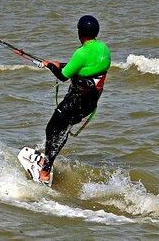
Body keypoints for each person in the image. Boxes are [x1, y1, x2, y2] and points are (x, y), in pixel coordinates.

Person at [38, 15, 111, 183]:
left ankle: (45, 170)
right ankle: (47, 162)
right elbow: (86, 67)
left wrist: (49, 65)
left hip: (75, 101)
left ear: (80, 32)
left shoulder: (81, 52)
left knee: (52, 130)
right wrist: (60, 64)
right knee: (63, 130)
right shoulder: (103, 49)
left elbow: (63, 77)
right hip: (89, 104)